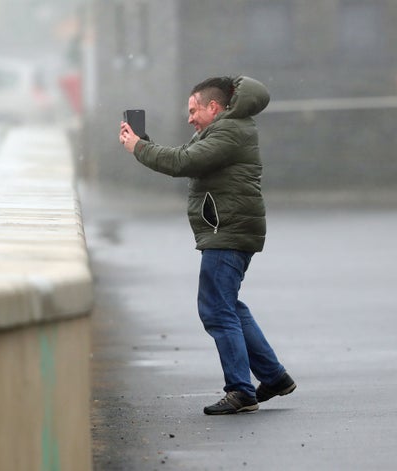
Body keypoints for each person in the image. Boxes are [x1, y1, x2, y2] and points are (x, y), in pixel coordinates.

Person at [119, 76, 295, 415]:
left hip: (227, 231)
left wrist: (138, 148)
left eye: (193, 110)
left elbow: (184, 163)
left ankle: (241, 391)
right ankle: (274, 377)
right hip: (228, 228)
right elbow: (185, 156)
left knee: (215, 309)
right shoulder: (222, 130)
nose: (189, 118)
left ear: (213, 107)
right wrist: (144, 143)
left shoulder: (230, 131)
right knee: (228, 305)